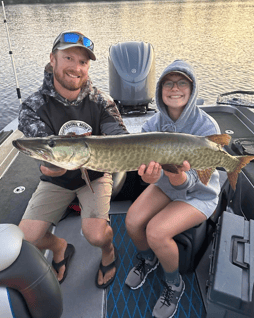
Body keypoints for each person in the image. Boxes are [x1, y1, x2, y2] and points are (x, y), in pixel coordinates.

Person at [18, 31, 128, 288]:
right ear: (52, 60)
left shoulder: (102, 101)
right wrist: (48, 166)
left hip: (96, 173)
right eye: (68, 57)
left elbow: (118, 136)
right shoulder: (33, 106)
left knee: (96, 235)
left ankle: (109, 252)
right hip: (56, 180)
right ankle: (60, 247)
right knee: (25, 239)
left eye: (83, 62)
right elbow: (46, 150)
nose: (76, 68)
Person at [124, 60, 221, 318]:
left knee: (156, 232)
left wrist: (180, 179)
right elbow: (149, 175)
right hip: (167, 186)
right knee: (132, 221)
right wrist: (149, 177)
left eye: (182, 83)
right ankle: (148, 259)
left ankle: (174, 284)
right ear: (160, 89)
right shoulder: (151, 126)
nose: (175, 88)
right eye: (168, 82)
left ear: (191, 89)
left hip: (199, 194)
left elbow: (201, 179)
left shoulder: (207, 127)